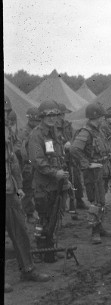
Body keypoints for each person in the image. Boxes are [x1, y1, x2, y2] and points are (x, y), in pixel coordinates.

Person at [5, 97, 50, 292]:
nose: (6, 116)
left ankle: (28, 269)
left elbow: (12, 159)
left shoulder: (7, 130)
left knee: (21, 230)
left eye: (7, 112)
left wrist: (18, 185)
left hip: (9, 189)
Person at [28, 100, 70, 262]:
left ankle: (50, 247)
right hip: (43, 185)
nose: (52, 118)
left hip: (56, 183)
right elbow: (37, 161)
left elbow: (57, 156)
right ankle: (41, 249)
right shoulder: (36, 135)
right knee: (43, 218)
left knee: (54, 216)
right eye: (49, 115)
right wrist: (55, 173)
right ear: (42, 117)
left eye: (55, 115)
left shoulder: (55, 134)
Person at [70, 103, 111, 244]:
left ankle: (99, 227)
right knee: (95, 202)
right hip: (92, 173)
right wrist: (87, 164)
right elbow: (74, 149)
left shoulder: (98, 131)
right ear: (97, 117)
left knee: (101, 201)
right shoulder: (86, 132)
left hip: (101, 170)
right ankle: (95, 232)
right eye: (102, 116)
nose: (103, 119)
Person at [18, 107, 41, 223]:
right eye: (36, 120)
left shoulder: (37, 131)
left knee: (35, 189)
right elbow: (18, 149)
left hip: (36, 164)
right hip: (27, 165)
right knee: (27, 190)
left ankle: (32, 212)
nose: (38, 123)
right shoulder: (24, 132)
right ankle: (29, 214)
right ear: (31, 120)